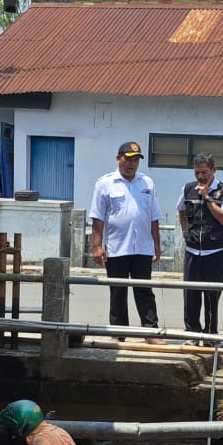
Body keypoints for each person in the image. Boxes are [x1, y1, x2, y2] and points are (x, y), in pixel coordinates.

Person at [90, 140, 163, 342]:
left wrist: (157, 244)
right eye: (128, 159)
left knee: (144, 290)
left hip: (142, 247)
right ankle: (118, 333)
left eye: (136, 160)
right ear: (118, 159)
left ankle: (150, 332)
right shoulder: (105, 183)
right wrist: (97, 246)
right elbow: (97, 217)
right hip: (116, 247)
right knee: (118, 292)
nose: (132, 164)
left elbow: (154, 216)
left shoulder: (147, 183)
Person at [176, 152, 223, 335]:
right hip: (193, 252)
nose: (200, 177)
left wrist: (208, 198)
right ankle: (193, 333)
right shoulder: (188, 189)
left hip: (215, 253)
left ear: (213, 170)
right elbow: (181, 210)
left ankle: (211, 335)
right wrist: (186, 232)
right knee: (191, 296)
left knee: (212, 297)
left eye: (204, 172)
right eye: (197, 173)